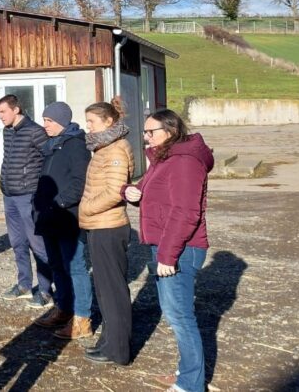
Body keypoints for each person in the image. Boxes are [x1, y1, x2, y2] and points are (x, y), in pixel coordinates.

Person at [123, 110, 213, 392]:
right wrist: (132, 192)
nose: (146, 137)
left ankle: (190, 384)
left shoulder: (185, 162)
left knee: (180, 316)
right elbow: (158, 196)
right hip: (167, 245)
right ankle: (187, 372)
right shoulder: (164, 159)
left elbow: (186, 212)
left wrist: (167, 255)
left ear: (171, 131)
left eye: (151, 132)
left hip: (180, 248)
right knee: (175, 313)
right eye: (145, 132)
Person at [80, 99, 135, 366]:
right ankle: (109, 341)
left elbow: (115, 191)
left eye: (91, 121)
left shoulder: (115, 150)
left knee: (113, 291)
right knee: (104, 290)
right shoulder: (104, 147)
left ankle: (118, 350)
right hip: (99, 225)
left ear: (109, 122)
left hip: (108, 227)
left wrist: (87, 208)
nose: (87, 126)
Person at [32, 101, 93, 341]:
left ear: (62, 121)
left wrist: (58, 203)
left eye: (49, 121)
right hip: (48, 218)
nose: (45, 125)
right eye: (45, 120)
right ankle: (64, 308)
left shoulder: (75, 145)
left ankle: (82, 319)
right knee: (57, 266)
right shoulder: (51, 146)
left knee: (76, 268)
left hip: (67, 218)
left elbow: (79, 182)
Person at [0, 94, 52, 309]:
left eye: (3, 112)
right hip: (9, 195)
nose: (0, 117)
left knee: (37, 244)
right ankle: (24, 285)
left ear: (16, 109)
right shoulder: (7, 131)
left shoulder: (35, 132)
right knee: (17, 243)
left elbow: (49, 158)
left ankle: (46, 290)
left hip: (29, 196)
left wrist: (40, 187)